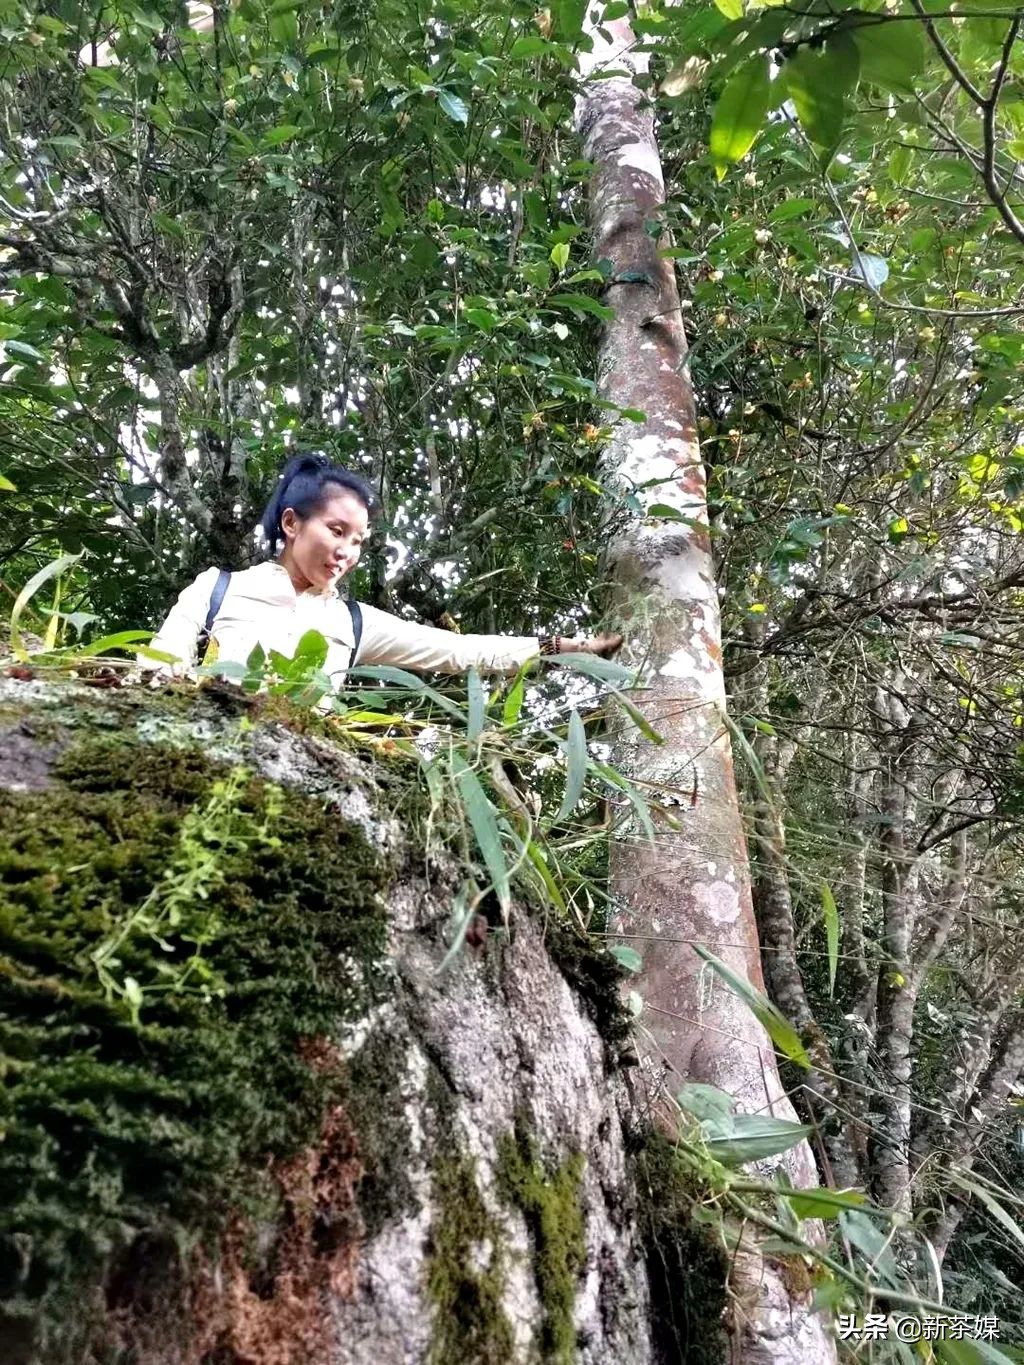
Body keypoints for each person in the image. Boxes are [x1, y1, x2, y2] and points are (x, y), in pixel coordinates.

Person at [144, 453, 622, 689]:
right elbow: (157, 669)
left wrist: (564, 648)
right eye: (336, 530)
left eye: (358, 541)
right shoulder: (217, 589)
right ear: (291, 523)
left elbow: (458, 650)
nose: (346, 552)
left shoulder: (352, 622)